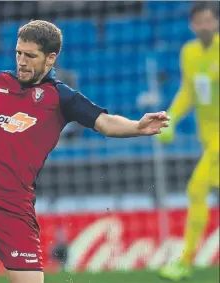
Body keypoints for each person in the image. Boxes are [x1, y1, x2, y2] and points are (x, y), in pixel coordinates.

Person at [0, 20, 170, 283]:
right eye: (18, 53)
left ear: (51, 58)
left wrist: (137, 126)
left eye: (31, 56)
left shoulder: (62, 97)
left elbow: (105, 122)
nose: (21, 61)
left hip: (13, 214)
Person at [158, 3, 219, 281]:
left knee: (196, 189)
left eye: (209, 21)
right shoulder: (189, 53)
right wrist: (170, 117)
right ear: (193, 25)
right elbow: (188, 92)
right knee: (199, 193)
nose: (204, 26)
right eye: (199, 22)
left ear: (215, 22)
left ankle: (184, 261)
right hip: (208, 141)